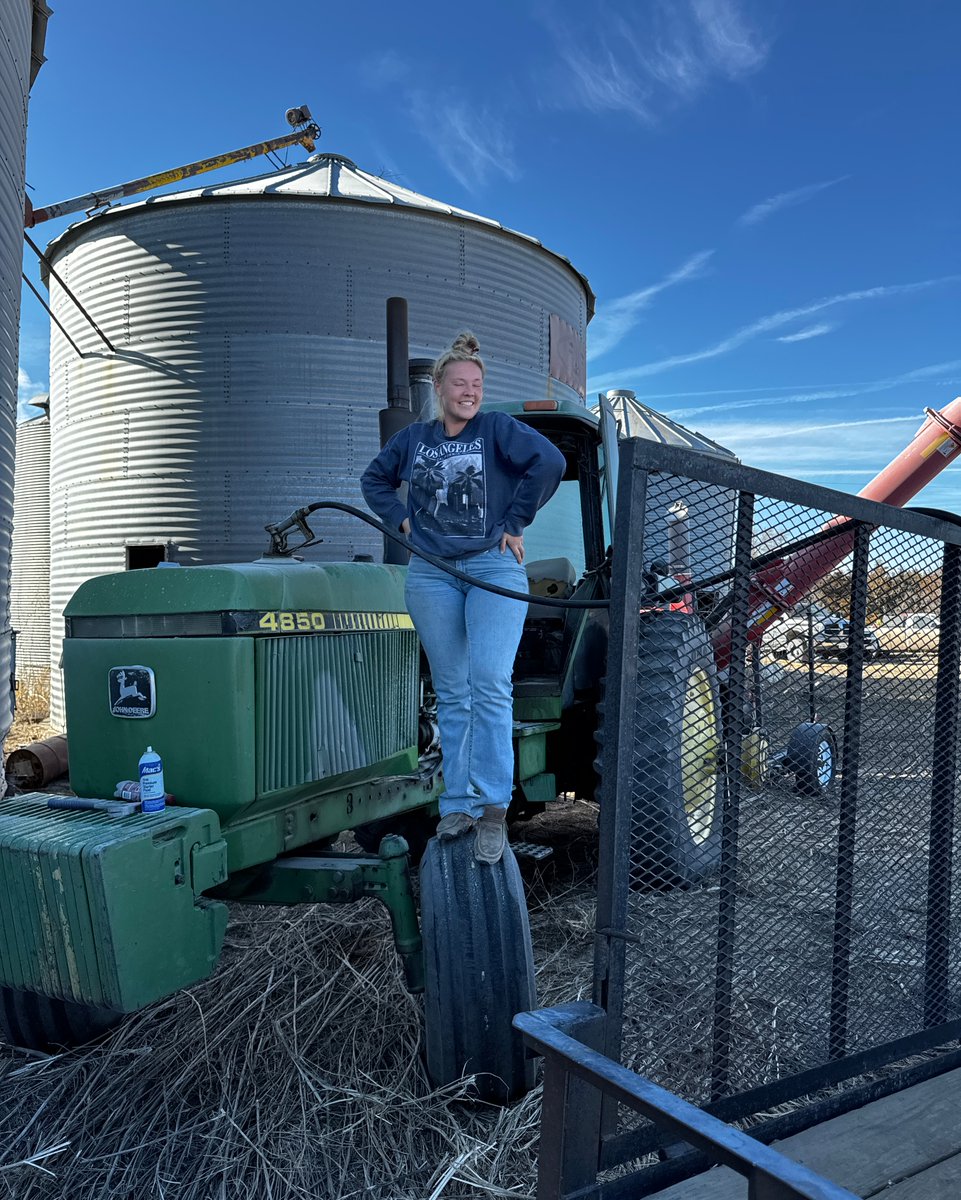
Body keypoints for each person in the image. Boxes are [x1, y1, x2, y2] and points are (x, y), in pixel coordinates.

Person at [361, 332, 565, 863]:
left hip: (491, 566)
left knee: (490, 681)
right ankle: (457, 803)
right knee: (451, 689)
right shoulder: (415, 439)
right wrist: (401, 519)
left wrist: (516, 519)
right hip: (430, 573)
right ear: (440, 387)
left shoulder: (497, 429)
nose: (469, 392)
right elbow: (374, 480)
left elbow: (550, 462)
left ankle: (494, 806)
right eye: (460, 384)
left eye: (476, 385)